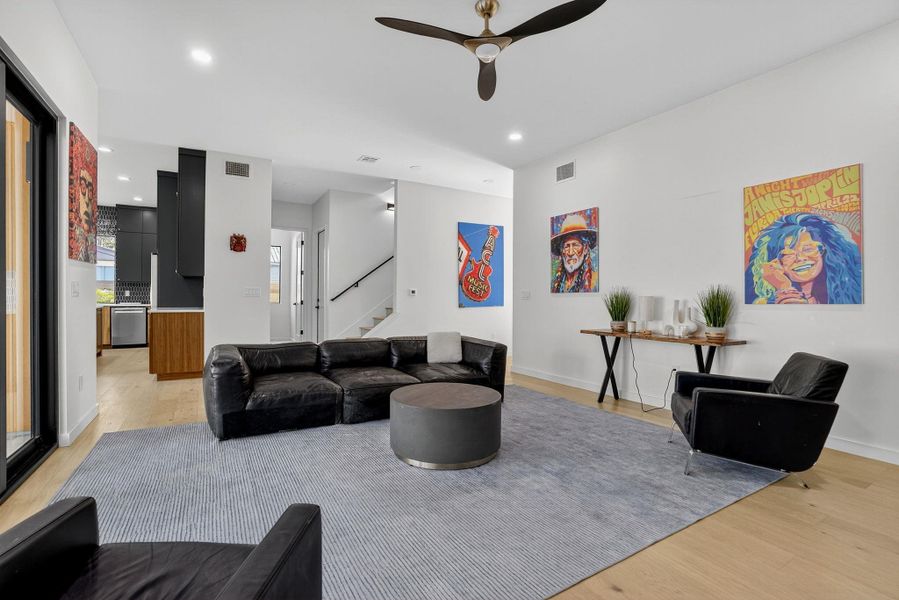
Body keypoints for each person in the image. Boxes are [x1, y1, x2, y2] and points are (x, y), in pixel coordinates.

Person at [745, 212, 862, 304]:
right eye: (788, 254)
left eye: (808, 249)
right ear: (775, 261)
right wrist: (784, 287)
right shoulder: (764, 303)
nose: (800, 258)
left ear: (825, 251)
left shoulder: (848, 296)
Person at [551, 213, 597, 293]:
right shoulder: (555, 284)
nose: (570, 253)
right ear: (561, 251)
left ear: (585, 248)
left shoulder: (594, 281)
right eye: (567, 246)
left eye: (575, 245)